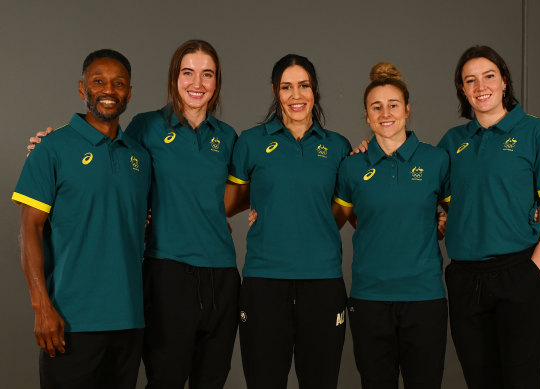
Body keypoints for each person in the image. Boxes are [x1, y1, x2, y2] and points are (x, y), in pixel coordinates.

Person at [27, 40, 248, 389]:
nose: (197, 83)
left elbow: (249, 187)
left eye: (208, 74)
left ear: (217, 82)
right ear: (174, 78)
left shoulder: (228, 137)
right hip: (167, 269)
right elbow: (107, 158)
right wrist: (50, 143)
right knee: (166, 378)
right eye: (187, 72)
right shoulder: (145, 128)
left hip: (221, 273)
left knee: (213, 379)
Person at [13, 49, 151, 388]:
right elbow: (30, 228)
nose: (109, 90)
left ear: (129, 93)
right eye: (98, 81)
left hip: (129, 321)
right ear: (81, 89)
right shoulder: (52, 148)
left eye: (118, 83)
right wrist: (41, 308)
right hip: (69, 322)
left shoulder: (140, 157)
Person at [437, 45, 540, 389]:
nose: (481, 86)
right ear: (462, 90)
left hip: (520, 272)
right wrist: (371, 150)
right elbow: (440, 200)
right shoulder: (452, 143)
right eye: (470, 80)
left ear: (504, 81)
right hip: (466, 279)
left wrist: (532, 272)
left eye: (489, 76)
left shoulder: (538, 133)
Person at [226, 54, 351, 389]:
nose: (296, 95)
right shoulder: (251, 142)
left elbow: (344, 213)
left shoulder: (338, 147)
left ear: (315, 90)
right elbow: (229, 202)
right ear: (274, 91)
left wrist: (308, 222)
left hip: (323, 283)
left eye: (304, 85)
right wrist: (268, 209)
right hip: (264, 283)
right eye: (286, 87)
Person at [332, 62, 449, 389]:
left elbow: (461, 213)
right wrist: (264, 213)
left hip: (424, 297)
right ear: (367, 116)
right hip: (370, 298)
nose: (386, 114)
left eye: (393, 105)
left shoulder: (436, 160)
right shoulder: (352, 166)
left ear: (408, 110)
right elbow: (331, 222)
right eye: (376, 107)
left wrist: (529, 211)